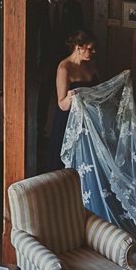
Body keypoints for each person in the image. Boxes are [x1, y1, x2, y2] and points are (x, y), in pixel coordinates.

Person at [44, 30, 99, 172]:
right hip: (68, 119)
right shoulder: (64, 68)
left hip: (88, 119)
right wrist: (69, 98)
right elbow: (62, 104)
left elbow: (98, 91)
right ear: (78, 48)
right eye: (90, 48)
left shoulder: (91, 64)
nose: (93, 51)